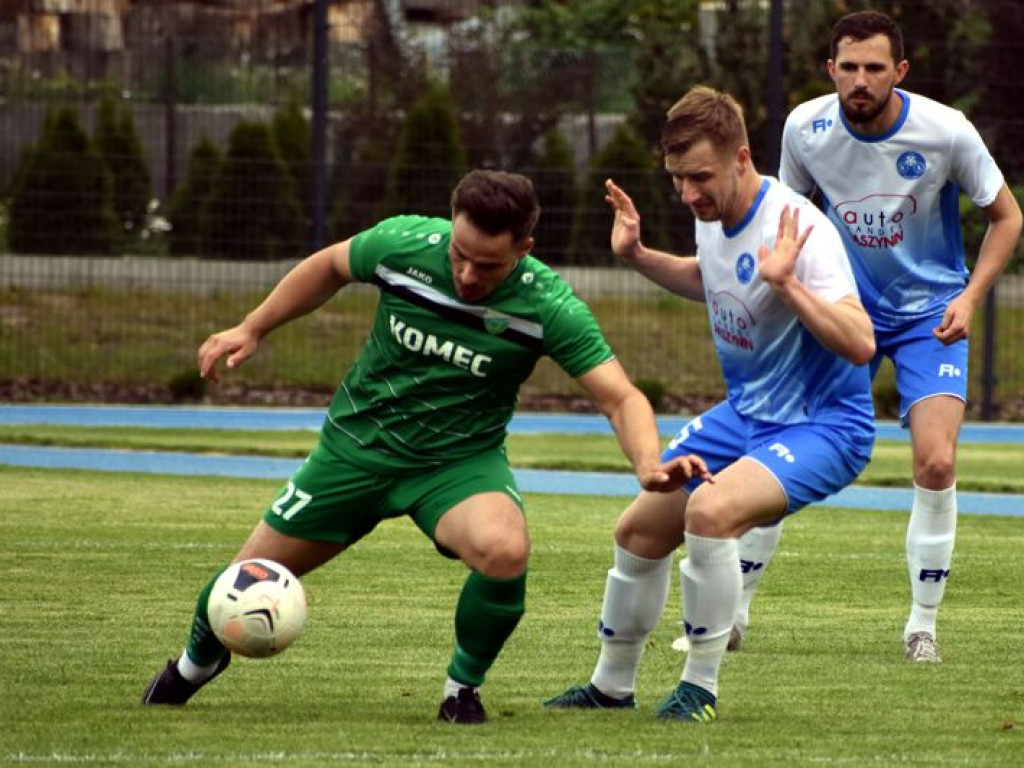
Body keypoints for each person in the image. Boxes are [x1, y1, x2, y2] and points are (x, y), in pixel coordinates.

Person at [140, 169, 710, 724]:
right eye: (460, 254)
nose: (465, 274)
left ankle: (461, 690)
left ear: (524, 249)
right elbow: (331, 264)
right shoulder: (405, 243)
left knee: (504, 551)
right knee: (242, 579)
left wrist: (647, 465)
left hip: (456, 465)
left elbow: (620, 396)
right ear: (449, 224)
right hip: (355, 449)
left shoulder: (548, 306)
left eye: (486, 265)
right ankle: (191, 668)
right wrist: (253, 327)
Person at [545, 86, 877, 723]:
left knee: (711, 509)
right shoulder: (710, 212)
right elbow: (710, 276)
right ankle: (611, 687)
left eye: (700, 177)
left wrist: (786, 281)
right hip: (745, 413)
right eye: (677, 179)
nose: (689, 193)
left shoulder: (799, 227)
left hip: (824, 425)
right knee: (638, 531)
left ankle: (699, 687)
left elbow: (861, 343)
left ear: (743, 158)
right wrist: (637, 256)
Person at [733, 9, 1023, 663]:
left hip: (932, 316)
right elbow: (788, 217)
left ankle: (922, 626)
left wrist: (972, 299)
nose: (860, 80)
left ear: (901, 71)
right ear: (829, 69)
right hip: (846, 313)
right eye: (849, 67)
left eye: (875, 67)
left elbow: (1007, 217)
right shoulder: (804, 129)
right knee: (784, 452)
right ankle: (735, 613)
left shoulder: (947, 132)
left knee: (937, 462)